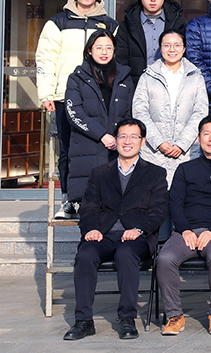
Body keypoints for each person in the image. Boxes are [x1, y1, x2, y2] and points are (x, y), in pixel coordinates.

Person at [63, 118, 167, 341]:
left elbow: (158, 211)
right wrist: (91, 229)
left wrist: (139, 229)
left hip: (137, 237)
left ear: (142, 141)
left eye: (133, 137)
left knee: (126, 253)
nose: (127, 141)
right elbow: (89, 207)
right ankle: (83, 321)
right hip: (104, 234)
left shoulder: (155, 173)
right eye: (123, 136)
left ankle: (127, 317)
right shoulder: (100, 172)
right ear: (116, 140)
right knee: (85, 254)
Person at [155, 115, 211, 336]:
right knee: (165, 258)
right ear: (198, 139)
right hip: (185, 231)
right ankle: (174, 316)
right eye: (206, 134)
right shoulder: (185, 169)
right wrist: (185, 229)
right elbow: (175, 203)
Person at [38, 0, 119, 219]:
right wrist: (46, 93)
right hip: (65, 96)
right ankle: (68, 199)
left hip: (100, 96)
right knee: (67, 150)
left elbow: (115, 59)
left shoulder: (109, 24)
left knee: (101, 148)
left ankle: (101, 198)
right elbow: (46, 58)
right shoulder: (57, 22)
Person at [64, 30, 135, 220]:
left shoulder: (124, 76)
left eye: (109, 47)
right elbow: (74, 112)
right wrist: (102, 135)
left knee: (117, 209)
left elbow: (130, 112)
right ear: (89, 50)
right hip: (87, 146)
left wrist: (122, 137)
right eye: (99, 47)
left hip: (118, 147)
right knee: (90, 210)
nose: (104, 52)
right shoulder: (77, 78)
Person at [132, 29, 208, 184]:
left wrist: (182, 144)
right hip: (153, 152)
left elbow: (201, 112)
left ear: (184, 48)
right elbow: (139, 112)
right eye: (166, 45)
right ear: (160, 48)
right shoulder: (147, 76)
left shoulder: (196, 77)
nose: (172, 49)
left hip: (187, 152)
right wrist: (159, 142)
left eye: (177, 45)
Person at [114, 0, 187, 82]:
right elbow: (121, 61)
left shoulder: (178, 23)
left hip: (172, 84)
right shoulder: (127, 26)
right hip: (136, 85)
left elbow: (186, 57)